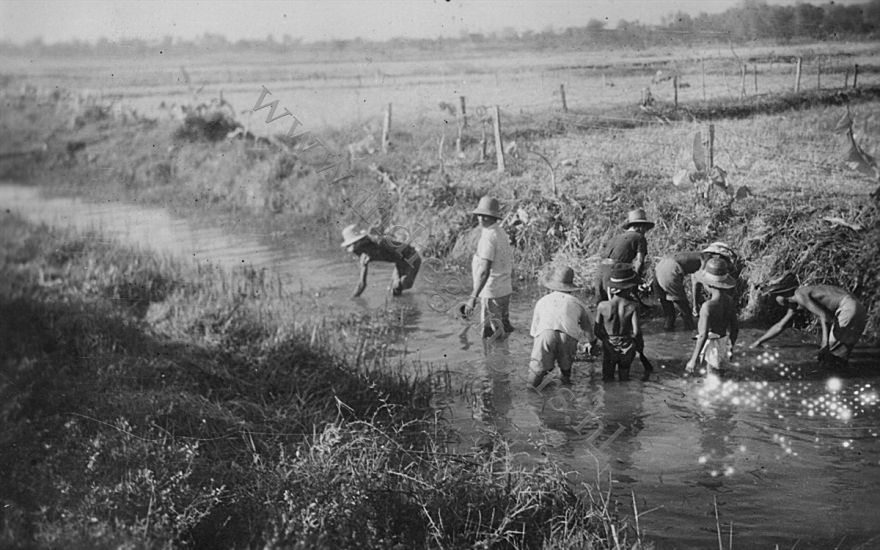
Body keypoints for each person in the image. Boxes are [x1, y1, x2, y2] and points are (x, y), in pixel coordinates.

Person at [749, 273, 866, 367]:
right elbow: (780, 326)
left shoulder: (800, 294)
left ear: (783, 294)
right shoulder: (796, 301)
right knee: (840, 359)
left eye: (773, 297)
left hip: (847, 308)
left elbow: (825, 316)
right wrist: (758, 342)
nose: (773, 301)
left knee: (828, 359)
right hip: (857, 308)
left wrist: (824, 345)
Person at [527, 266, 596, 387]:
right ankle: (565, 394)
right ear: (571, 287)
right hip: (568, 336)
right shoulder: (577, 303)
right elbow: (588, 328)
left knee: (535, 377)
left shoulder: (542, 301)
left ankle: (533, 397)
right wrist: (592, 343)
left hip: (545, 334)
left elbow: (534, 332)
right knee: (565, 374)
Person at [654, 241, 736, 331]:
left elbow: (696, 282)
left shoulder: (697, 258)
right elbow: (708, 284)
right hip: (671, 269)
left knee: (669, 314)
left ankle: (668, 336)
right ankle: (689, 334)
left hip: (660, 266)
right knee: (685, 310)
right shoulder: (708, 259)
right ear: (718, 256)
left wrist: (695, 305)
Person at [464, 196, 514, 339]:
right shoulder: (500, 232)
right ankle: (503, 356)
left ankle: (496, 360)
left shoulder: (488, 237)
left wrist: (472, 297)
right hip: (504, 289)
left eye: (486, 216)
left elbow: (484, 271)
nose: (481, 219)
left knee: (490, 334)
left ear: (493, 217)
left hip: (492, 292)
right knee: (503, 327)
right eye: (480, 215)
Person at [685, 257, 739, 376]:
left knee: (712, 380)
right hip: (724, 343)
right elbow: (735, 328)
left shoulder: (707, 307)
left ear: (708, 285)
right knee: (720, 376)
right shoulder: (729, 301)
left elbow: (703, 336)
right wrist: (730, 347)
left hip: (712, 347)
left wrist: (693, 360)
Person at [341, 224, 421, 298]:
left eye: (352, 246)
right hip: (399, 260)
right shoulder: (363, 256)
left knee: (398, 287)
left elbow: (400, 254)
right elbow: (362, 283)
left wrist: (398, 279)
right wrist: (352, 299)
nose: (353, 252)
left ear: (360, 242)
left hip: (411, 257)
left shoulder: (380, 243)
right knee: (392, 290)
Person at [594, 208, 654, 304]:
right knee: (620, 306)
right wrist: (637, 280)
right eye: (645, 228)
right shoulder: (640, 237)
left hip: (600, 271)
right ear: (640, 226)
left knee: (602, 306)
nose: (645, 231)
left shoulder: (616, 237)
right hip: (615, 272)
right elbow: (639, 262)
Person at [594, 264, 642, 382]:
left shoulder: (602, 306)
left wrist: (607, 341)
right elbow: (636, 333)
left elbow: (597, 331)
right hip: (627, 347)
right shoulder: (633, 306)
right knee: (624, 379)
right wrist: (638, 347)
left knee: (607, 379)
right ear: (630, 288)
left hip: (609, 346)